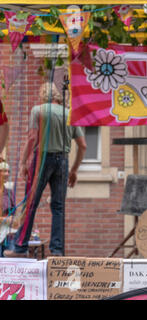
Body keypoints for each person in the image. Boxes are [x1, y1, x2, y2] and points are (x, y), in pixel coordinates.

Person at [4, 82, 86, 258]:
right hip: (63, 161)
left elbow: (32, 137)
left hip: (42, 159)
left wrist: (24, 162)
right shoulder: (70, 113)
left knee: (30, 204)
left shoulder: (38, 110)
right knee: (58, 207)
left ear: (43, 95)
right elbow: (83, 145)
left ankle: (20, 247)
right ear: (57, 96)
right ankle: (57, 251)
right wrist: (74, 170)